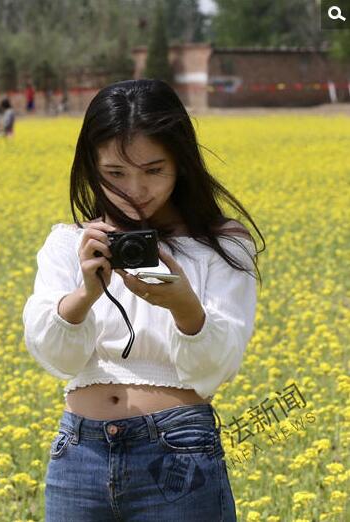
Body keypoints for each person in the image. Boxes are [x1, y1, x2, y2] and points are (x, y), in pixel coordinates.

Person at [22, 78, 265, 520]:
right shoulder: (69, 244)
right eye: (115, 173)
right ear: (91, 167)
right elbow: (58, 359)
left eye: (154, 170)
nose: (135, 189)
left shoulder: (221, 246)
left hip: (179, 449)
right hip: (79, 455)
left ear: (181, 164)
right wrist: (85, 294)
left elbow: (217, 367)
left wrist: (184, 307)